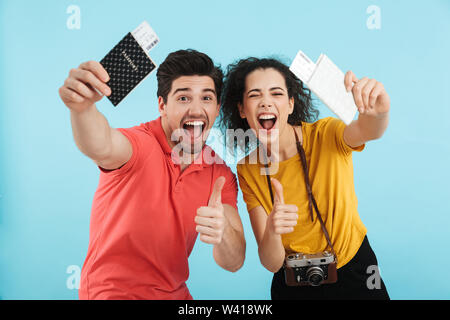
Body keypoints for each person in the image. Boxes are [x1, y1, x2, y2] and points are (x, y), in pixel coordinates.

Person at [58, 49, 246, 300]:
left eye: (207, 98)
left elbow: (234, 262)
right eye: (183, 98)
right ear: (162, 106)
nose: (196, 109)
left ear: (216, 108)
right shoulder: (139, 144)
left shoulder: (219, 173)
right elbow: (101, 144)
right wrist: (82, 110)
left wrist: (222, 233)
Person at [219, 57, 390, 300]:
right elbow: (271, 262)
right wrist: (273, 229)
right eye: (255, 95)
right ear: (242, 110)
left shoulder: (326, 134)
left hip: (356, 271)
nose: (266, 102)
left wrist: (379, 112)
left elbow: (368, 130)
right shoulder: (247, 168)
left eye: (276, 93)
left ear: (290, 104)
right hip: (292, 284)